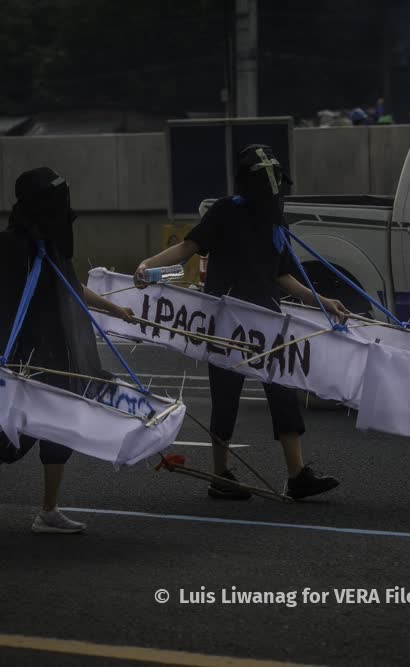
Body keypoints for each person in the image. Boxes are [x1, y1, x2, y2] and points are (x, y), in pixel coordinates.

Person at [135, 144, 348, 500]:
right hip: (227, 320)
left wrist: (323, 301)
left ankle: (297, 475)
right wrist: (148, 265)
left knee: (283, 391)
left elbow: (281, 276)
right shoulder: (224, 212)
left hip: (267, 319)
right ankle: (220, 476)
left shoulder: (274, 218)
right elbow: (189, 247)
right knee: (225, 396)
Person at [0, 166, 135, 533]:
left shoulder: (54, 240)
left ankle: (47, 510)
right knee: (28, 425)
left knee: (60, 424)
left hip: (64, 346)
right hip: (31, 349)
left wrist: (115, 309)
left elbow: (70, 285)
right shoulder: (12, 245)